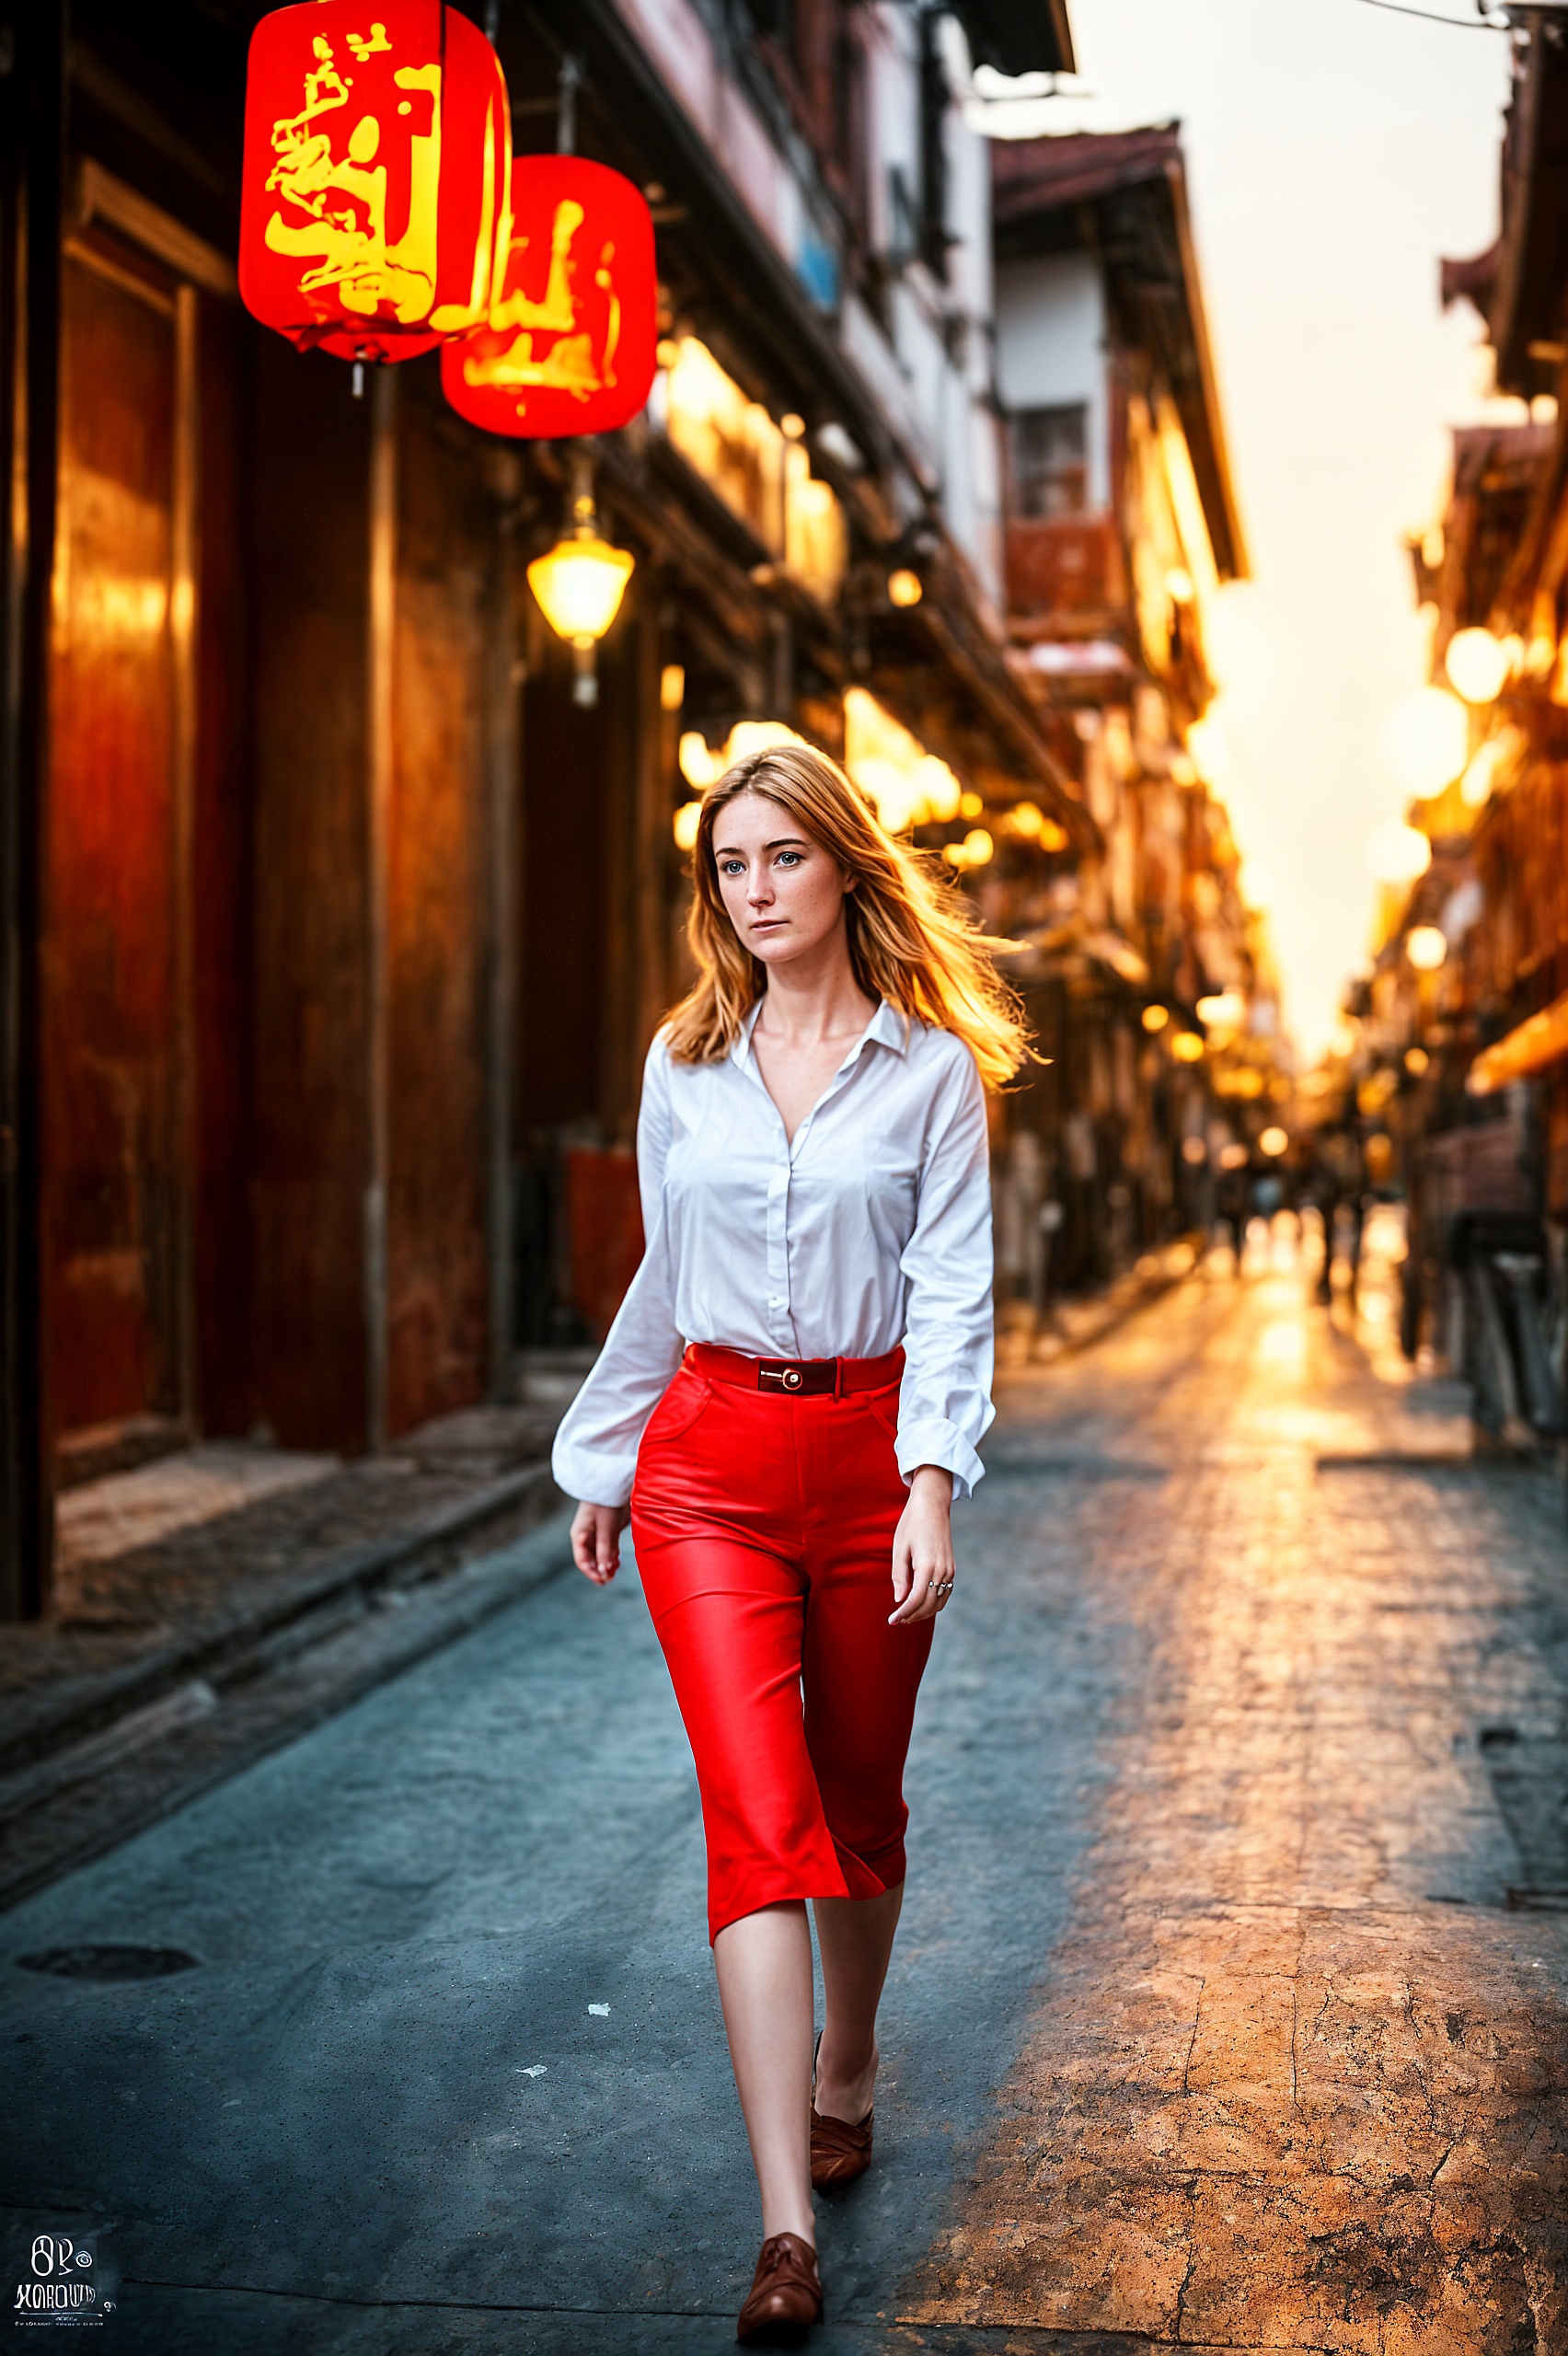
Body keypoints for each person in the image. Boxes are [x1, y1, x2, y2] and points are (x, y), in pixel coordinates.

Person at [551, 742, 1030, 2344]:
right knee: (759, 1817)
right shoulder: (680, 1063)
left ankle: (850, 2058)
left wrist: (934, 1481)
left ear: (843, 869)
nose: (754, 894)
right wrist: (611, 1454)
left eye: (781, 861)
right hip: (707, 1466)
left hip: (874, 1452)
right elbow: (663, 1276)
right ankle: (782, 2231)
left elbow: (956, 1291)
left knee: (856, 1799)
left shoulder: (933, 1076)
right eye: (729, 869)